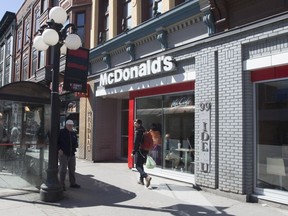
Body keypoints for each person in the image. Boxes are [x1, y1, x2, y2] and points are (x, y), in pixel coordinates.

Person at [58, 119, 80, 191]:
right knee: (63, 169)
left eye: (72, 125)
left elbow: (75, 142)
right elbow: (57, 141)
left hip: (72, 153)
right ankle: (62, 184)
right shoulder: (61, 132)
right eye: (69, 125)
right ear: (66, 125)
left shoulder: (73, 133)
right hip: (64, 153)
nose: (71, 127)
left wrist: (75, 146)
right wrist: (59, 149)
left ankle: (73, 183)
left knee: (72, 169)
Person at [131, 119, 152, 187]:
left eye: (136, 123)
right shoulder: (144, 130)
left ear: (139, 124)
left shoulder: (138, 131)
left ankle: (146, 176)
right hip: (145, 151)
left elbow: (136, 142)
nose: (134, 124)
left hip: (140, 151)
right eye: (134, 122)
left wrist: (133, 152)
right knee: (141, 165)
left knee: (137, 166)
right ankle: (141, 180)